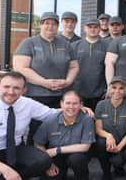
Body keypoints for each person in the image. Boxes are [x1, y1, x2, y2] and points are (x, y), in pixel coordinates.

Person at [13, 12, 79, 142]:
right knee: (37, 129)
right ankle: (35, 158)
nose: (50, 26)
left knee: (59, 129)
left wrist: (68, 81)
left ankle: (55, 158)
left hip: (60, 95)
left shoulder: (65, 44)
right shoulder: (29, 43)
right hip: (36, 95)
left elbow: (74, 66)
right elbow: (20, 67)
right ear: (41, 25)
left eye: (54, 24)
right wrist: (44, 82)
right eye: (47, 23)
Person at [34, 90, 94, 180]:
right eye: (68, 103)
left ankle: (81, 176)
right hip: (56, 157)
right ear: (61, 104)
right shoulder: (50, 120)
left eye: (75, 103)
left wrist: (57, 150)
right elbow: (38, 143)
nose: (71, 107)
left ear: (81, 105)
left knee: (76, 159)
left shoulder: (87, 120)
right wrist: (48, 163)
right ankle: (62, 173)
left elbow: (85, 146)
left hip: (77, 154)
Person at [94, 76, 126, 180]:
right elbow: (98, 129)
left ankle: (119, 166)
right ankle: (106, 174)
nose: (117, 91)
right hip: (107, 142)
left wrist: (119, 147)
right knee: (100, 143)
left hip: (123, 142)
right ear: (109, 89)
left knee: (120, 160)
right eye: (114, 87)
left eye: (121, 88)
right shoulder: (101, 105)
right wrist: (108, 136)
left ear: (125, 91)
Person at [71, 18, 108, 111]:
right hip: (78, 91)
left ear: (99, 29)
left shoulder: (107, 45)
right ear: (84, 28)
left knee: (98, 120)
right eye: (90, 27)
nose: (92, 29)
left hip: (100, 92)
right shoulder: (74, 46)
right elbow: (69, 68)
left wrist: (108, 87)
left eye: (95, 27)